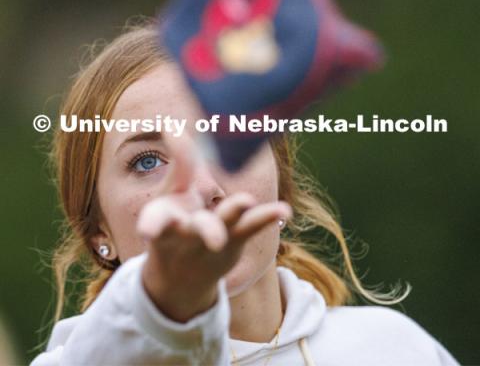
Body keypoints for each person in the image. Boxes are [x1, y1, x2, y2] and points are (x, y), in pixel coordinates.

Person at [31, 21, 459, 366]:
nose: (201, 189)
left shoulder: (396, 349)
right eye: (147, 161)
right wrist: (164, 309)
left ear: (280, 176)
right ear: (96, 231)